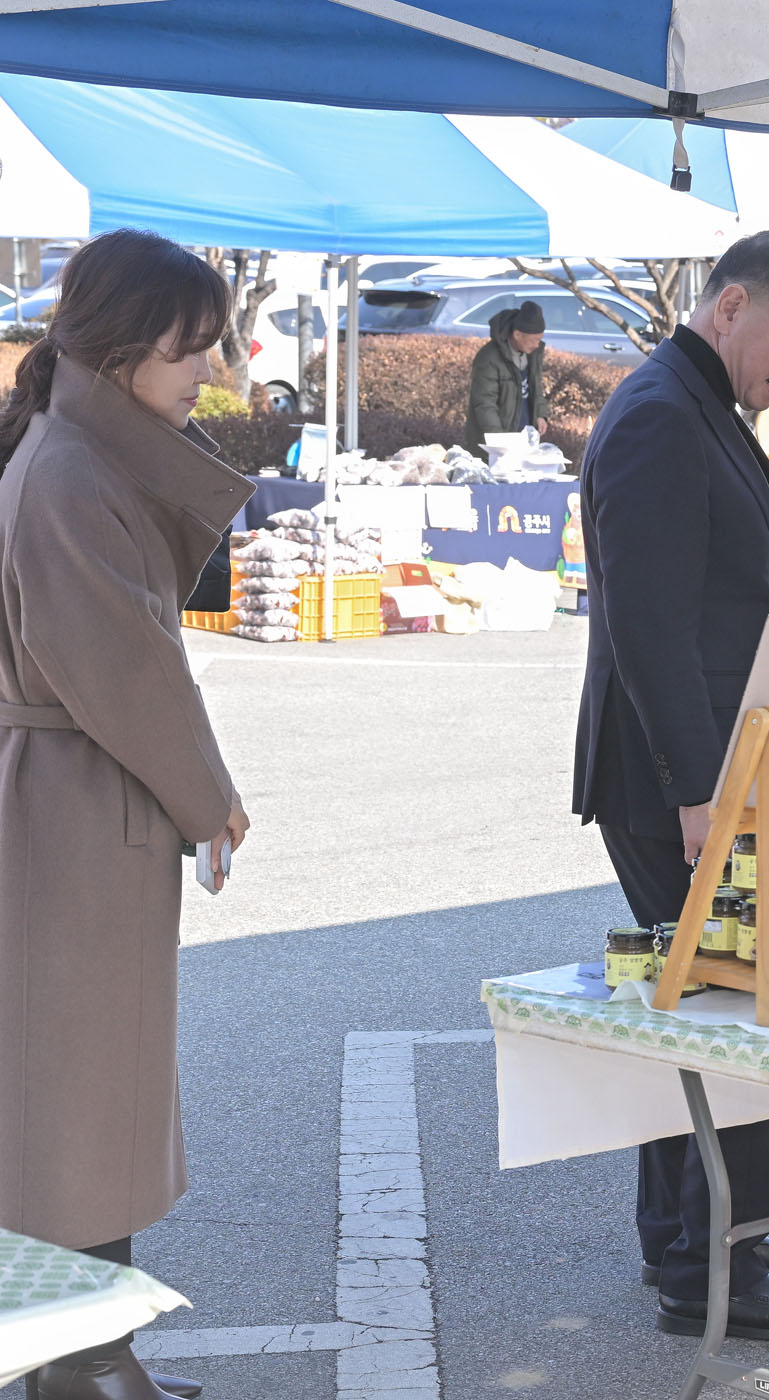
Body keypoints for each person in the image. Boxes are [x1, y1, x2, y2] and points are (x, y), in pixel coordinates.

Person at [571, 231, 769, 1340]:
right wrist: (696, 788)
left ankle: (693, 1237)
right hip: (680, 777)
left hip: (700, 768)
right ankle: (712, 1261)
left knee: (699, 999)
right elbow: (648, 622)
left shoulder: (695, 404)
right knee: (750, 994)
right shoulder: (661, 415)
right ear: (730, 304)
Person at [0, 228, 253, 1400]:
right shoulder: (67, 471)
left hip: (71, 799)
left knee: (73, 1094)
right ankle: (82, 1361)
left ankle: (85, 1352)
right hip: (71, 806)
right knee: (76, 1102)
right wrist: (210, 797)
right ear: (118, 345)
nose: (208, 369)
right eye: (189, 346)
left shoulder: (71, 452)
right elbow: (124, 667)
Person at [465, 299, 548, 452]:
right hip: (495, 440)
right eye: (534, 340)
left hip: (523, 435)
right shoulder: (489, 358)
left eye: (540, 339)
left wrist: (540, 414)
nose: (537, 345)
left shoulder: (533, 354)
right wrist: (499, 441)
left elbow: (536, 387)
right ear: (517, 334)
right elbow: (485, 403)